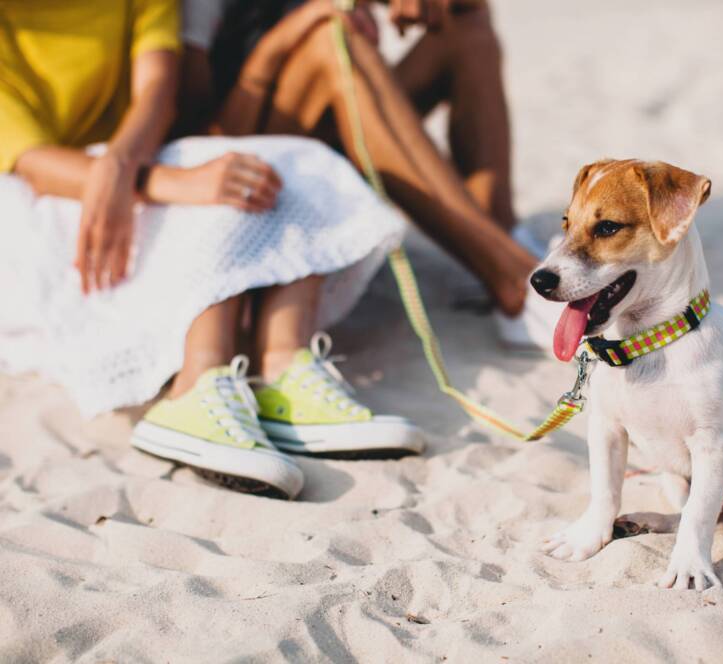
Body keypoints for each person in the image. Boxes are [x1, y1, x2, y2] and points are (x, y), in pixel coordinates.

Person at [0, 0, 425, 501]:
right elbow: (30, 162)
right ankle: (194, 387)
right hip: (34, 195)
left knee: (286, 163)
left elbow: (157, 90)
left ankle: (282, 369)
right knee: (213, 192)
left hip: (128, 161)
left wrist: (123, 164)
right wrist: (167, 181)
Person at [177, 0, 560, 347]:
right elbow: (206, 143)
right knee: (330, 37)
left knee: (466, 23)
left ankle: (497, 240)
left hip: (342, 120)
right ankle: (513, 281)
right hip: (250, 157)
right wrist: (281, 41)